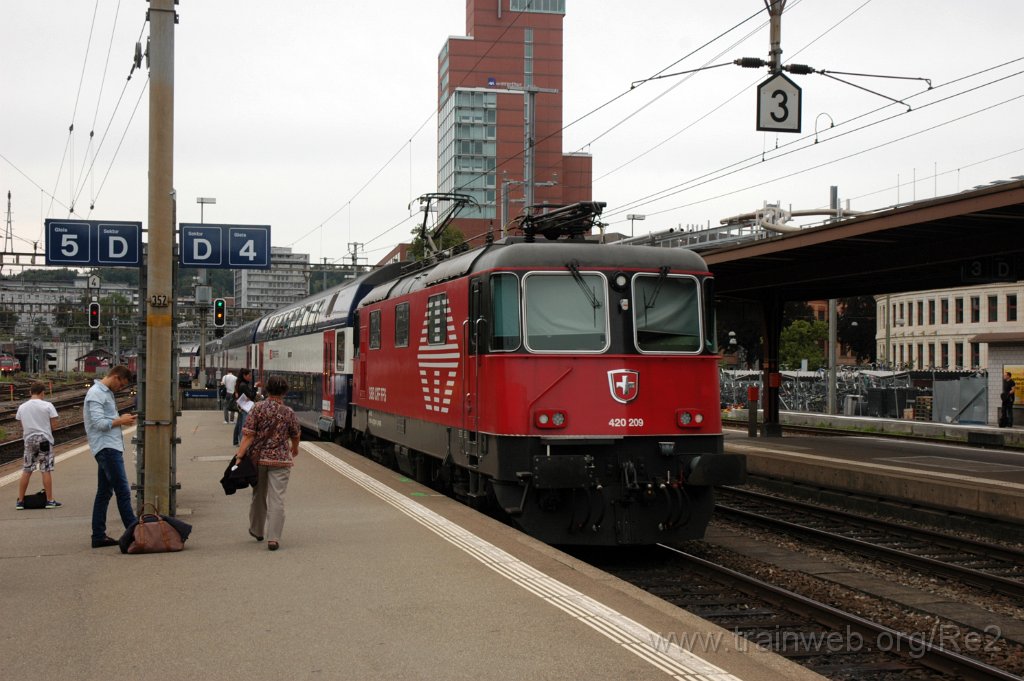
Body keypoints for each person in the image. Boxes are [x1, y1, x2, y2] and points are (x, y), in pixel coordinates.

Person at [233, 375, 301, 551]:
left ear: (266, 390)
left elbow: (248, 434)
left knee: (258, 495)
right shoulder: (288, 412)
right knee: (277, 499)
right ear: (285, 392)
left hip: (259, 460)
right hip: (281, 461)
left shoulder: (257, 409)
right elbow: (295, 434)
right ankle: (274, 538)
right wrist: (295, 448)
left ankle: (257, 530)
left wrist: (240, 455)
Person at [84, 365, 138, 548]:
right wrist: (121, 420)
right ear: (115, 377)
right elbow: (99, 423)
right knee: (122, 491)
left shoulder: (105, 393)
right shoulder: (96, 394)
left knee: (104, 492)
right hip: (106, 448)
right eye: (121, 384)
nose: (121, 388)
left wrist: (119, 418)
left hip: (109, 446)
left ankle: (98, 536)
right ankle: (134, 533)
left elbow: (106, 419)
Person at [15, 382, 60, 510]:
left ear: (30, 392)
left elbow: (22, 426)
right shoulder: (48, 405)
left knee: (27, 469)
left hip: (29, 440)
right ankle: (50, 500)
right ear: (42, 392)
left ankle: (21, 501)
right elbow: (54, 426)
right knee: (45, 469)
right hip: (44, 440)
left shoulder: (22, 407)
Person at [232, 368, 255, 447]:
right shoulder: (244, 385)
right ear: (244, 376)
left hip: (240, 406)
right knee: (243, 425)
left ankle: (235, 441)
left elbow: (236, 394)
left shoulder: (239, 383)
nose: (250, 377)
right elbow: (251, 396)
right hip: (245, 407)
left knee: (238, 424)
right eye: (249, 375)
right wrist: (255, 388)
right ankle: (242, 443)